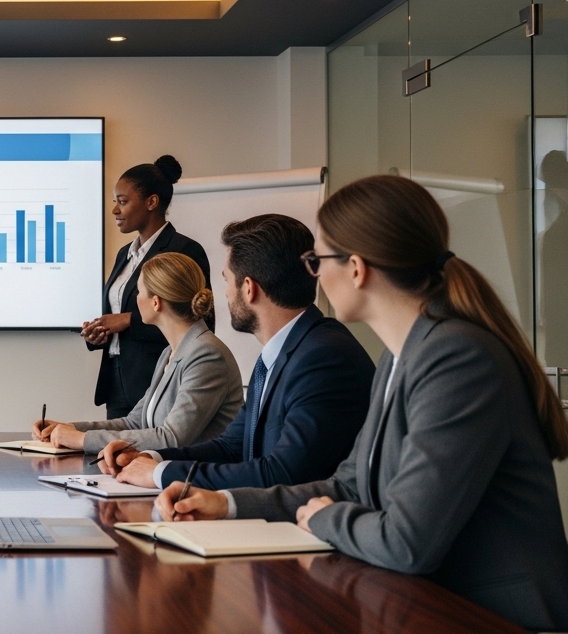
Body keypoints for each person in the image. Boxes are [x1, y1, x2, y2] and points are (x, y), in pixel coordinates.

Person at [156, 176, 568, 632]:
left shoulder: (457, 358)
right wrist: (224, 503)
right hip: (425, 604)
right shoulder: (400, 354)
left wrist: (326, 518)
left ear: (356, 268)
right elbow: (349, 485)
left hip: (492, 617)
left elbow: (407, 540)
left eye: (318, 260)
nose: (312, 274)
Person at [102, 214, 375, 491]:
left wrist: (161, 474)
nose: (225, 294)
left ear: (248, 288)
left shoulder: (323, 358)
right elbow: (233, 446)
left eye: (227, 281)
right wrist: (151, 458)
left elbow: (282, 473)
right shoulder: (283, 352)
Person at [34, 252, 242, 454]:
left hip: (195, 481)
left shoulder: (207, 355)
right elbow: (134, 421)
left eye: (139, 292)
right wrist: (69, 428)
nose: (135, 299)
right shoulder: (170, 352)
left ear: (155, 302)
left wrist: (81, 440)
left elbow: (172, 438)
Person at [82, 155, 212, 419]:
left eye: (123, 201)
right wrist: (99, 334)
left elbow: (199, 321)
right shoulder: (124, 254)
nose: (115, 210)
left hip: (157, 381)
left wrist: (127, 320)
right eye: (115, 202)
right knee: (112, 458)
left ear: (152, 202)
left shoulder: (184, 250)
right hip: (117, 385)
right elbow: (116, 315)